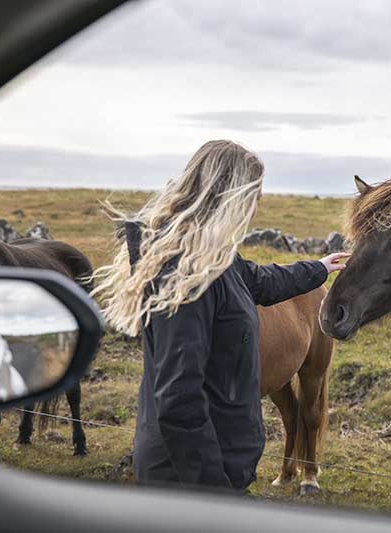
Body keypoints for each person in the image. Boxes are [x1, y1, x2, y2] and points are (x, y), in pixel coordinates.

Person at [92, 140, 348, 491]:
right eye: (254, 198)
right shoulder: (186, 276)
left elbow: (260, 280)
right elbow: (179, 400)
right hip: (191, 481)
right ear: (231, 198)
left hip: (206, 468)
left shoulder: (210, 258)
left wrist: (318, 268)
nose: (254, 210)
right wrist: (215, 492)